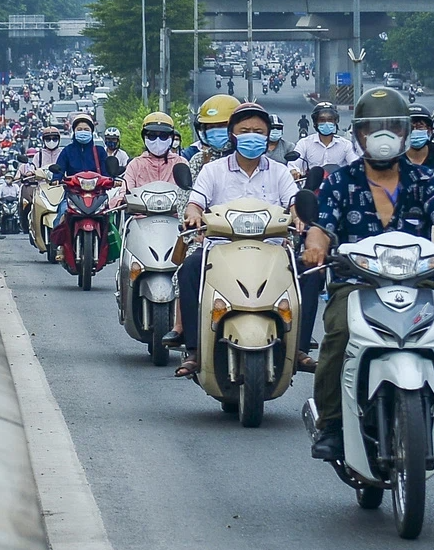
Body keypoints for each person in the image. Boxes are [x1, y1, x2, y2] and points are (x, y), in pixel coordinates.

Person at [304, 88, 434, 463]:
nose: (383, 137)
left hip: (417, 283)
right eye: (373, 128)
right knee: (337, 334)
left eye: (391, 128)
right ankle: (333, 425)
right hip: (355, 284)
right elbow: (321, 225)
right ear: (358, 135)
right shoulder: (341, 181)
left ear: (404, 133)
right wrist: (316, 246)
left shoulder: (424, 179)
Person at [174, 101, 302, 380]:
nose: (252, 135)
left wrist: (299, 217)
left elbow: (294, 202)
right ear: (233, 134)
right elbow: (195, 203)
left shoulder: (279, 171)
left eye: (258, 130)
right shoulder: (213, 170)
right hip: (221, 249)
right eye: (245, 130)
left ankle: (300, 347)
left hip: (272, 249)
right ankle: (195, 350)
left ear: (268, 135)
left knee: (309, 270)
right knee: (189, 271)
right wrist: (194, 215)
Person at [290, 101, 360, 188]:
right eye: (322, 120)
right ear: (315, 123)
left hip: (339, 189)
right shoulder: (304, 143)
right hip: (311, 190)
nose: (326, 123)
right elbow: (293, 164)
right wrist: (294, 171)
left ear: (335, 122)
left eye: (330, 120)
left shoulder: (346, 145)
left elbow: (355, 164)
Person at [121, 112, 192, 191]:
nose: (158, 140)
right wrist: (121, 198)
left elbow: (189, 192)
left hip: (175, 203)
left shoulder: (181, 163)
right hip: (140, 203)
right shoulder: (135, 165)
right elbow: (125, 191)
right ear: (144, 137)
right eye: (152, 136)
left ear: (171, 138)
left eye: (163, 136)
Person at [184, 95, 238, 170]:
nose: (215, 131)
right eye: (210, 127)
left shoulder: (245, 158)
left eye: (221, 126)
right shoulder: (199, 160)